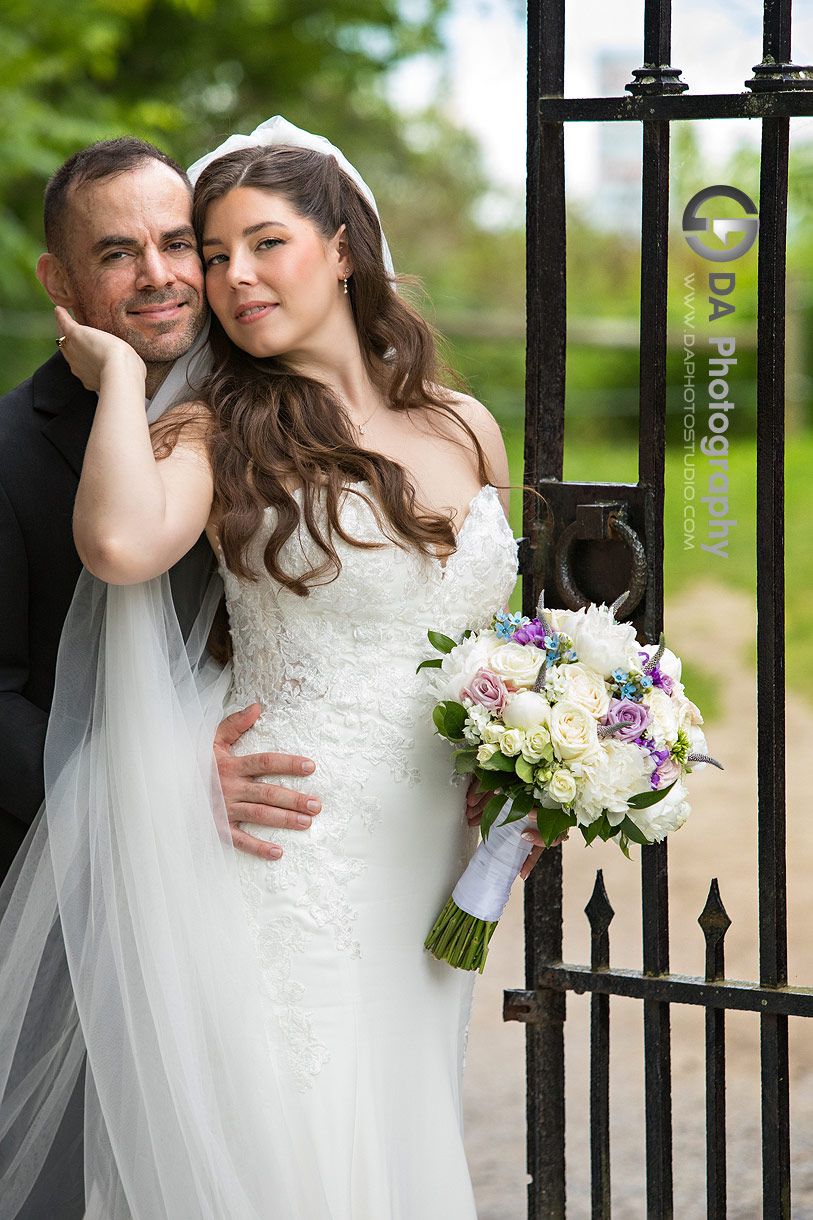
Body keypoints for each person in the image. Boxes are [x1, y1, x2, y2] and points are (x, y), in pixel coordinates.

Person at [0, 120, 543, 1219]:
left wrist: (529, 751)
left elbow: (498, 629)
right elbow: (117, 546)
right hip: (295, 861)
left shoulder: (467, 424)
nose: (230, 276)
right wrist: (114, 380)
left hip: (428, 861)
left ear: (343, 247)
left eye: (266, 243)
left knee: (400, 1128)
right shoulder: (221, 425)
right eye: (216, 254)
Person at [0, 135, 330, 1219]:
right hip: (72, 905)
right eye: (116, 251)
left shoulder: (279, 405)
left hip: (281, 882)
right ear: (58, 281)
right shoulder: (8, 448)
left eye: (177, 241)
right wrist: (150, 795)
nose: (159, 273)